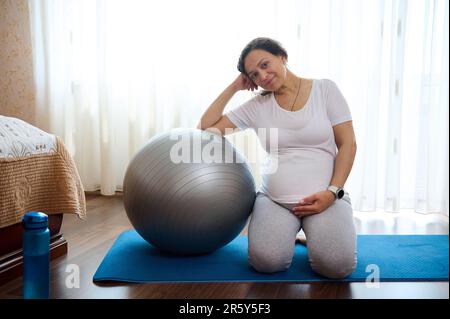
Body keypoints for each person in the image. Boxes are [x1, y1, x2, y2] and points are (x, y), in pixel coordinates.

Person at [197, 37, 357, 279]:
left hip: (326, 199)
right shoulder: (257, 106)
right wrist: (234, 87)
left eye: (264, 64)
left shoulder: (325, 90)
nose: (262, 76)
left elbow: (348, 144)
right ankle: (291, 232)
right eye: (254, 75)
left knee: (338, 267)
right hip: (275, 201)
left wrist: (332, 192)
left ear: (282, 56)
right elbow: (206, 129)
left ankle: (311, 233)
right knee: (266, 263)